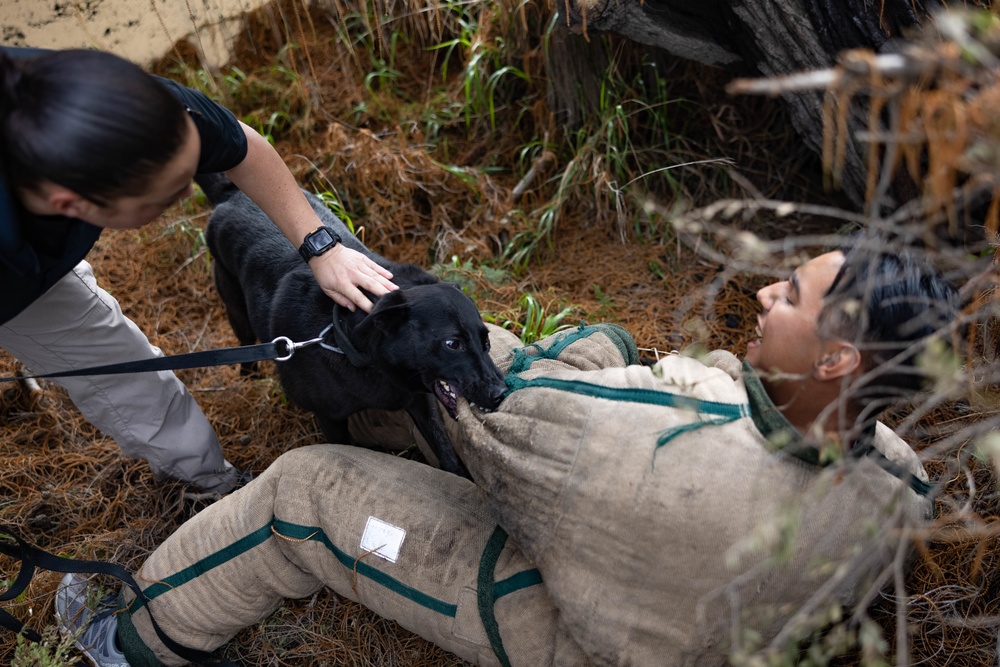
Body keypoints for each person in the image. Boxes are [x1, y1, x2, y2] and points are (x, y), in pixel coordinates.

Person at [53, 239, 960, 666]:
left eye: (792, 295)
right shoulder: (899, 475)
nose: (767, 291)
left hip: (555, 614)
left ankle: (126, 637)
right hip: (697, 603)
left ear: (837, 357)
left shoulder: (608, 446)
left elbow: (506, 411)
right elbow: (722, 384)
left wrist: (595, 342)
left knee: (305, 489)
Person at [0, 47, 397, 493]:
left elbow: (244, 150)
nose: (191, 193)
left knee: (117, 364)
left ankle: (204, 483)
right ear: (72, 206)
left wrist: (322, 248)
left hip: (35, 271)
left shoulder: (119, 105)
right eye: (168, 197)